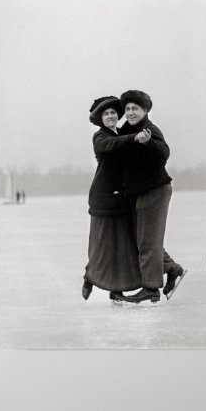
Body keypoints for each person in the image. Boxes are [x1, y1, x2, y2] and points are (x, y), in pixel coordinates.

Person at [117, 90, 186, 304]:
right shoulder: (126, 130)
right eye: (127, 109)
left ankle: (151, 288)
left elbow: (163, 153)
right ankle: (172, 268)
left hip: (155, 190)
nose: (130, 112)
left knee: (147, 242)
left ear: (145, 110)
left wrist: (149, 143)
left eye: (135, 108)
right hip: (138, 191)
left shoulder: (149, 129)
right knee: (144, 239)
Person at [82, 96, 143, 302]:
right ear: (100, 118)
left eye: (113, 113)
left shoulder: (121, 132)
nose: (110, 116)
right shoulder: (100, 137)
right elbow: (111, 145)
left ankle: (115, 289)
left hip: (121, 198)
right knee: (103, 245)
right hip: (103, 198)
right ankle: (90, 276)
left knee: (122, 246)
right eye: (106, 114)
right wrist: (134, 138)